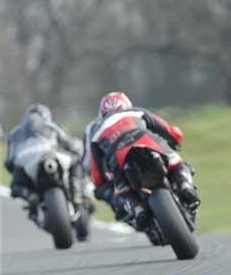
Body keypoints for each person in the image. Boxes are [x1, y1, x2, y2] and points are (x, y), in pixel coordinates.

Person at [83, 92, 200, 229]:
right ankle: (185, 185)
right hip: (148, 144)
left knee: (122, 191)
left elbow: (96, 170)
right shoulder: (137, 112)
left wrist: (102, 182)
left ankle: (136, 209)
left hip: (119, 158)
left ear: (102, 112)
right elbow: (167, 129)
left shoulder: (96, 130)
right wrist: (175, 140)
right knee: (177, 162)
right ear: (126, 104)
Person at [4, 104, 85, 224]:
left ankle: (31, 197)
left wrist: (17, 170)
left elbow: (9, 161)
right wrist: (78, 149)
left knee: (15, 186)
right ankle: (77, 194)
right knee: (75, 162)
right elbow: (71, 145)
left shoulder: (15, 133)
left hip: (28, 163)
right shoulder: (53, 127)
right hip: (51, 157)